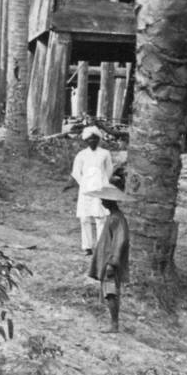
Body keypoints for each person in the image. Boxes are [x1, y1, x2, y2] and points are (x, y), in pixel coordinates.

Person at [86, 185, 129, 333]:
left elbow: (120, 241)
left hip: (110, 263)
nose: (102, 202)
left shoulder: (117, 219)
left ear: (110, 201)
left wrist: (112, 262)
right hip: (107, 261)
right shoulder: (113, 217)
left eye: (104, 200)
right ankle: (113, 323)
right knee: (108, 292)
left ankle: (114, 324)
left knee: (110, 292)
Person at [70, 127, 114, 255]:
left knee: (100, 217)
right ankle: (87, 247)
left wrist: (102, 182)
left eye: (95, 138)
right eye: (90, 139)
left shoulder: (105, 153)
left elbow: (109, 170)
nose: (93, 141)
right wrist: (84, 184)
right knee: (84, 218)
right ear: (86, 140)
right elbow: (76, 172)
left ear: (99, 139)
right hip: (85, 188)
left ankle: (101, 246)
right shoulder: (82, 154)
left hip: (100, 188)